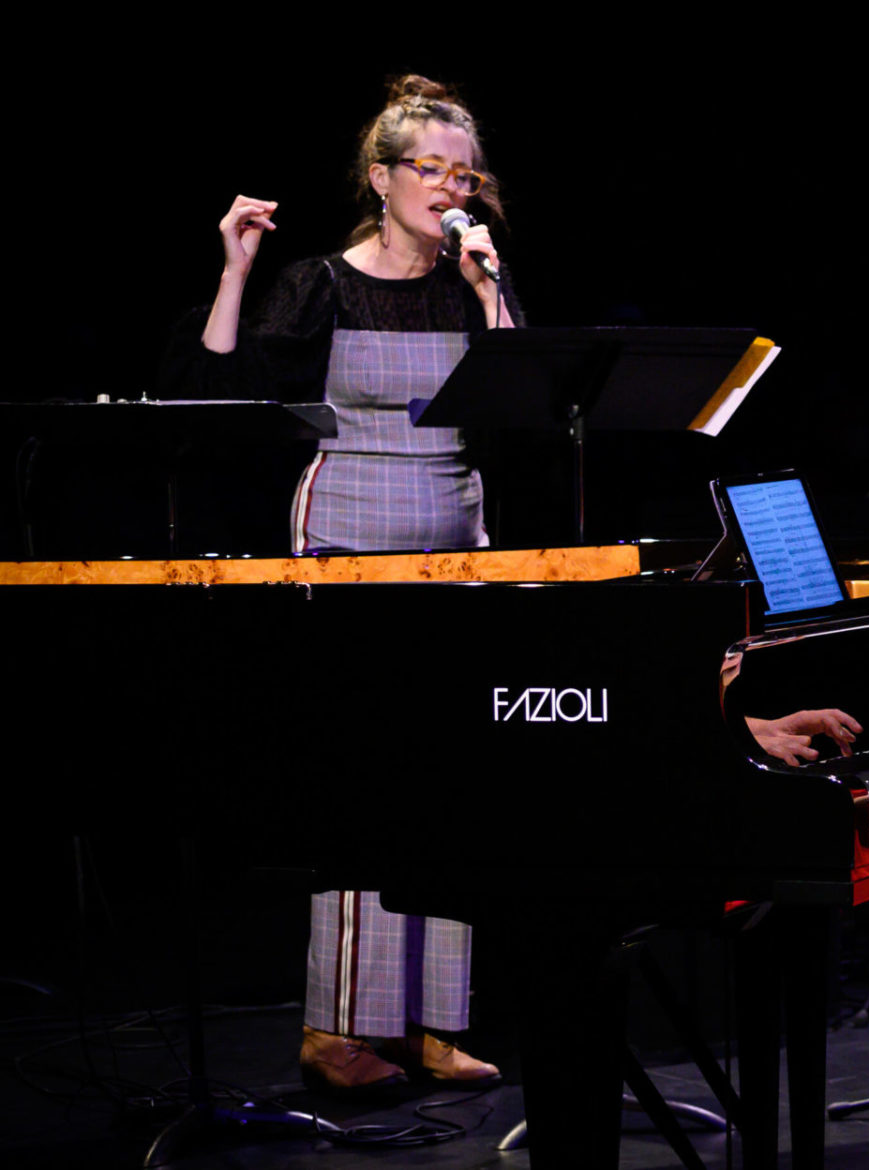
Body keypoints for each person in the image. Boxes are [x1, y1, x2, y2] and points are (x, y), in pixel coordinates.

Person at [164, 75, 519, 1094]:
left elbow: (521, 403)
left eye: (466, 173)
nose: (451, 188)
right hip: (350, 524)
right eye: (432, 170)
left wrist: (494, 290)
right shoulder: (323, 281)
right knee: (369, 766)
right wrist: (237, 269)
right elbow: (224, 388)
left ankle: (436, 1022)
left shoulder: (473, 282)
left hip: (456, 529)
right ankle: (340, 1026)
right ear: (382, 177)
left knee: (455, 772)